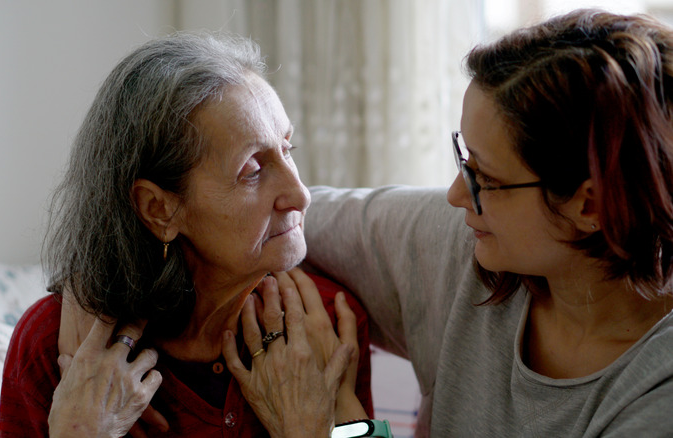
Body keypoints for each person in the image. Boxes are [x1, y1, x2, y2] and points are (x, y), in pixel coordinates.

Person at [230, 9, 673, 437]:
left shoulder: (656, 398)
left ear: (590, 206)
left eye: (487, 178)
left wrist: (332, 423)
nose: (456, 195)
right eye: (464, 158)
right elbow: (272, 220)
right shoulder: (463, 243)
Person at [0, 31, 373, 437]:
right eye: (252, 170)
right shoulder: (53, 349)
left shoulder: (325, 325)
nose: (299, 194)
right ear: (159, 209)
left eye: (288, 149)